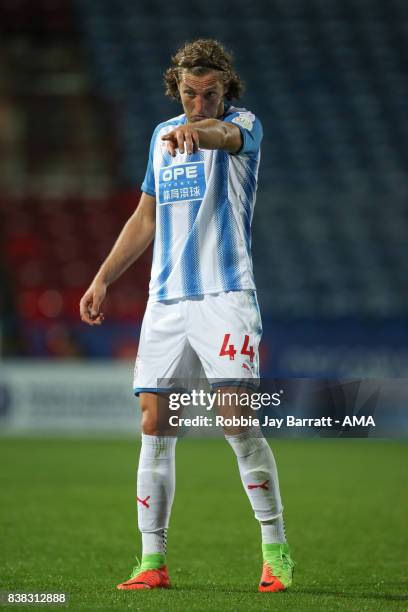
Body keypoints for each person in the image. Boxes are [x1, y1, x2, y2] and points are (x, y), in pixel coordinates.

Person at [80, 38, 294, 593]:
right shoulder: (159, 136)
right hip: (167, 301)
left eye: (210, 93)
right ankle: (152, 562)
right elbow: (145, 217)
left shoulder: (242, 124)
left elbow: (225, 136)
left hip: (226, 296)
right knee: (154, 424)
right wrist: (103, 277)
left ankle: (276, 549)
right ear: (175, 88)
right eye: (189, 93)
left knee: (236, 421)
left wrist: (200, 132)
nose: (200, 103)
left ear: (225, 91)